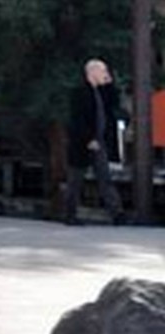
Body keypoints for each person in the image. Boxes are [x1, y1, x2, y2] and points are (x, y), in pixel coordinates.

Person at [64, 58, 125, 226]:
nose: (105, 74)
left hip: (99, 142)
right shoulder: (80, 92)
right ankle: (70, 214)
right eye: (102, 71)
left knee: (105, 178)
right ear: (92, 73)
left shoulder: (101, 92)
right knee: (75, 180)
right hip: (83, 143)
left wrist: (109, 83)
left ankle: (117, 213)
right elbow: (77, 120)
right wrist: (88, 138)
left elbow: (114, 103)